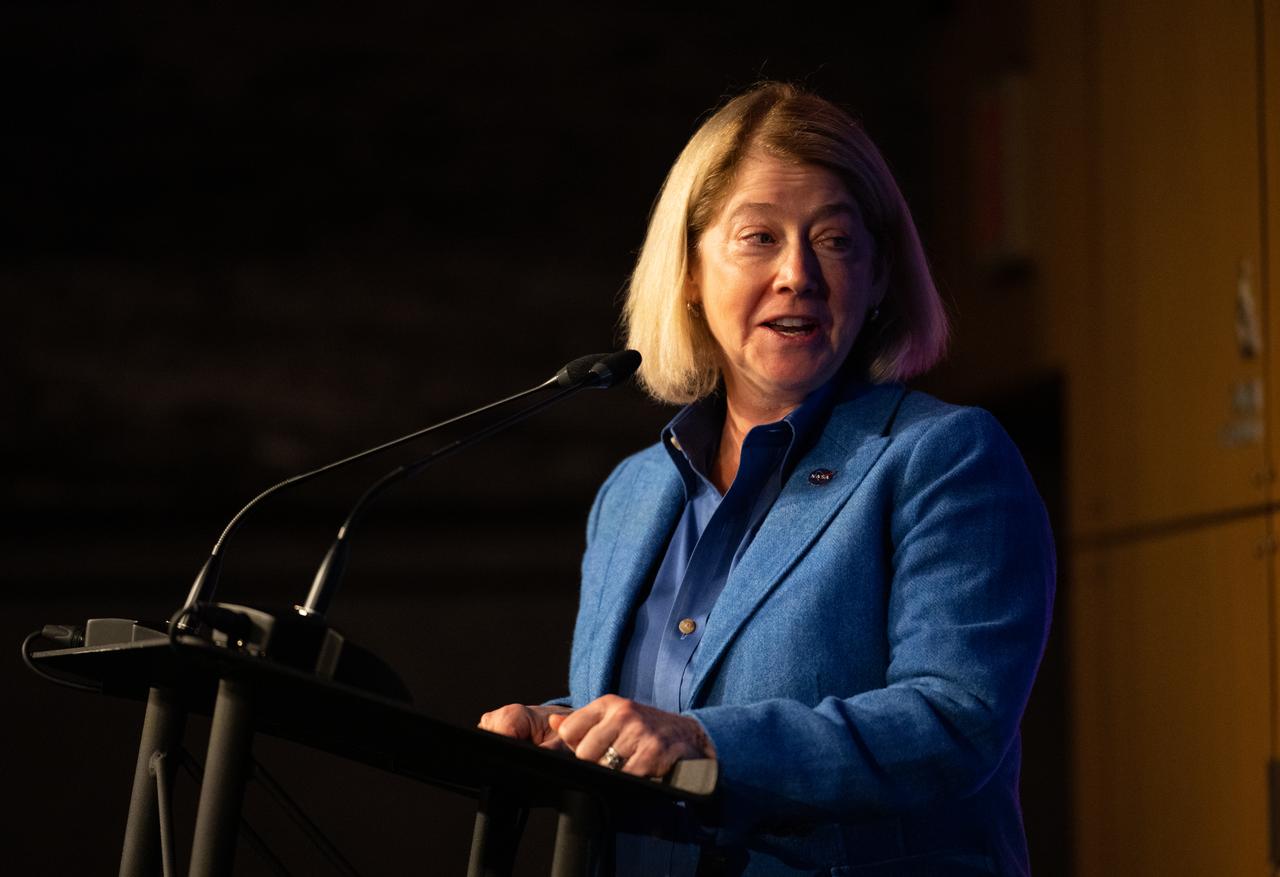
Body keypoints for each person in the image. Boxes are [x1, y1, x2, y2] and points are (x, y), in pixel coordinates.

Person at [479, 82, 1055, 876]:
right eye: (758, 237)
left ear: (881, 274)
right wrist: (557, 729)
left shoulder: (945, 457)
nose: (798, 274)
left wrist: (705, 742)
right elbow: (662, 714)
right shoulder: (632, 494)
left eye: (836, 240)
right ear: (688, 268)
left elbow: (954, 721)